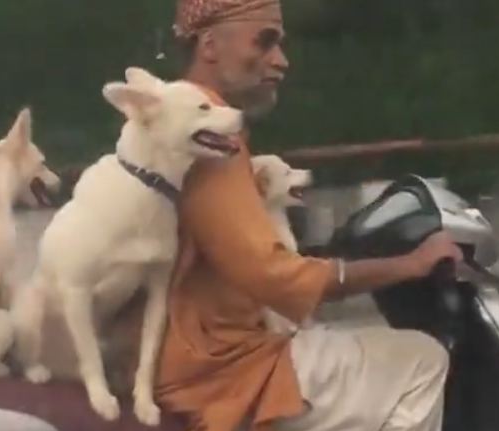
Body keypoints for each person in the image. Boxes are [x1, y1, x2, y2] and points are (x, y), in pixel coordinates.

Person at [154, 1, 464, 430]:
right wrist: (409, 264)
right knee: (422, 361)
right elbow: (269, 273)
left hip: (202, 353)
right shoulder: (207, 139)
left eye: (279, 43)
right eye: (263, 42)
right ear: (209, 44)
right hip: (227, 369)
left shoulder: (171, 118)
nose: (281, 60)